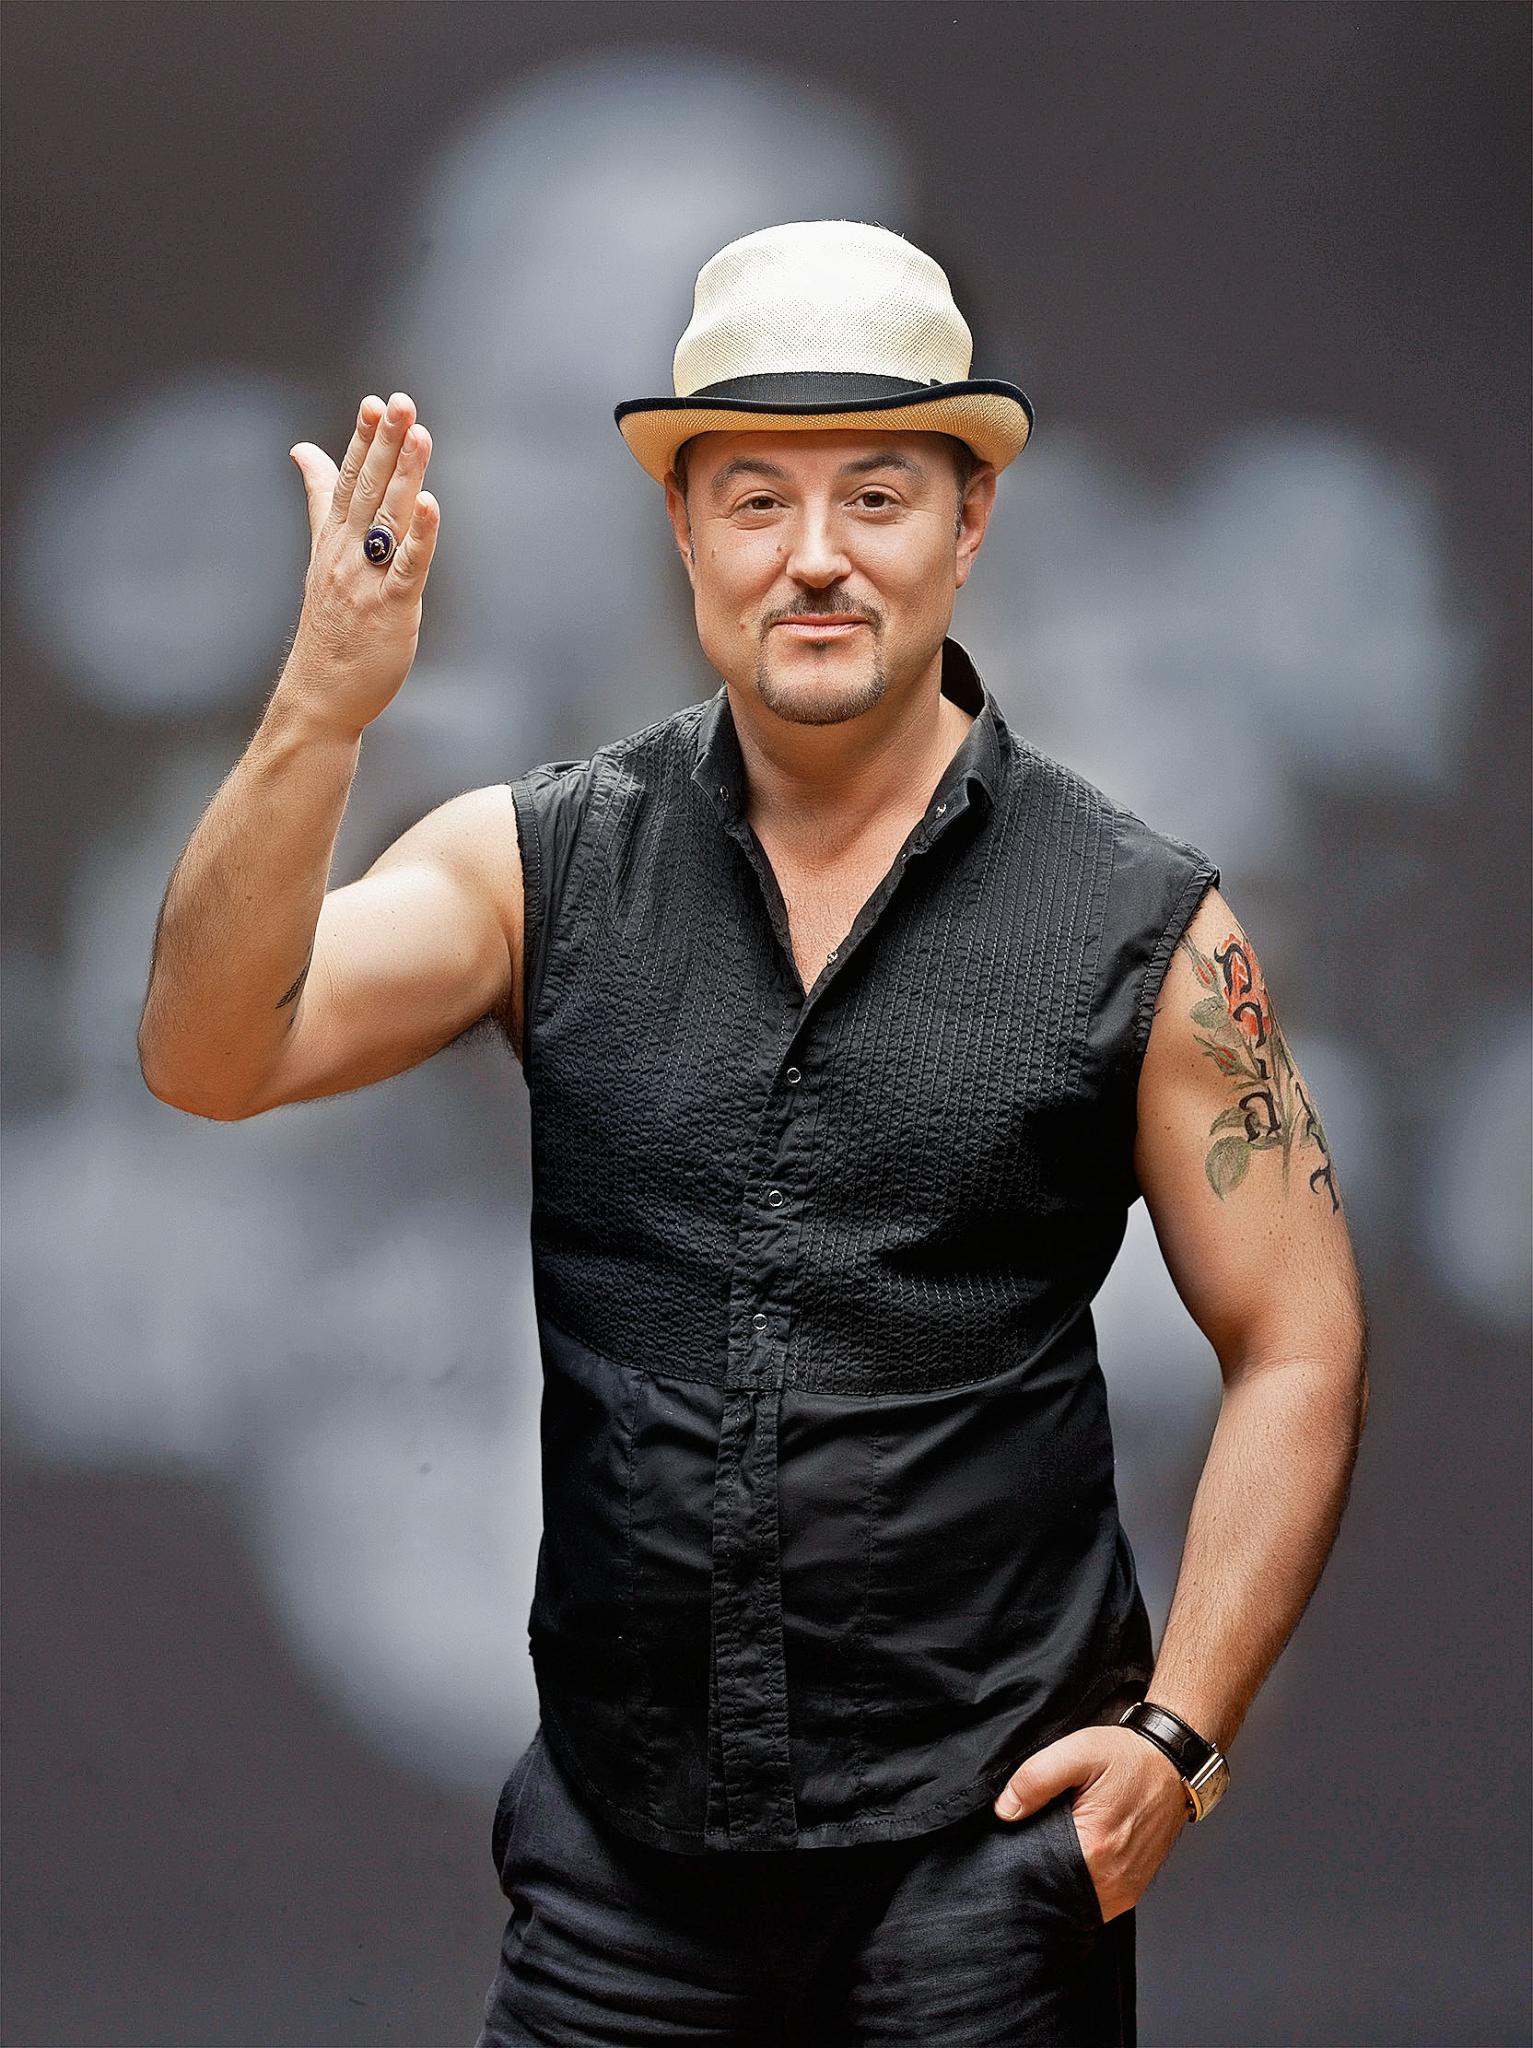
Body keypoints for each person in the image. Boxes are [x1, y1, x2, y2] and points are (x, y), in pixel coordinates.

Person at [138, 219, 1370, 2046]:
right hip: (619, 1874)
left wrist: (1178, 1742)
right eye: (755, 500)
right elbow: (207, 1056)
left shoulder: (1138, 921)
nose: (813, 557)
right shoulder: (537, 864)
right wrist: (323, 708)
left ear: (969, 522)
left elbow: (1297, 1336)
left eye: (875, 497)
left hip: (985, 1861)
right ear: (682, 529)